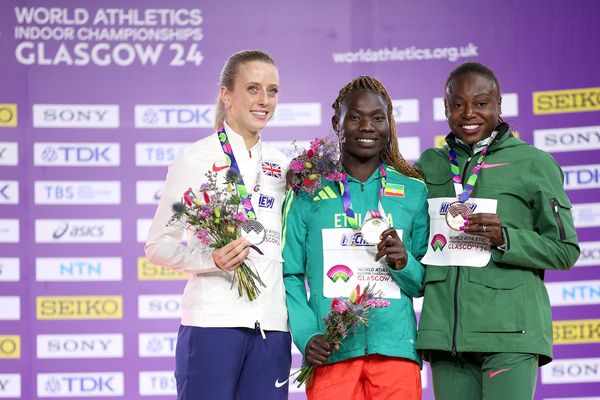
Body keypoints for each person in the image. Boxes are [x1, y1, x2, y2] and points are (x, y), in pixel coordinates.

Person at [415, 62, 580, 400]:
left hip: (510, 334)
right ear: (445, 109)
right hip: (447, 337)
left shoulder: (534, 163)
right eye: (457, 104)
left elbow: (565, 249)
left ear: (499, 105)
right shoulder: (427, 166)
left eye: (481, 103)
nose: (469, 113)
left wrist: (506, 238)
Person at [145, 50, 291, 400]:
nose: (264, 100)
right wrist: (209, 260)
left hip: (271, 329)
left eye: (272, 91)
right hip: (212, 325)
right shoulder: (196, 158)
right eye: (253, 88)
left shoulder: (285, 166)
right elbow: (157, 245)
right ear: (226, 94)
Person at [282, 76, 429, 399]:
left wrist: (403, 262)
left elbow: (422, 281)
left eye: (378, 118)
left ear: (389, 125)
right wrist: (307, 335)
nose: (367, 127)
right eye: (355, 117)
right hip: (332, 350)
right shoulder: (309, 191)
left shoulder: (413, 192)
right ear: (337, 122)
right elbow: (289, 273)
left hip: (395, 351)